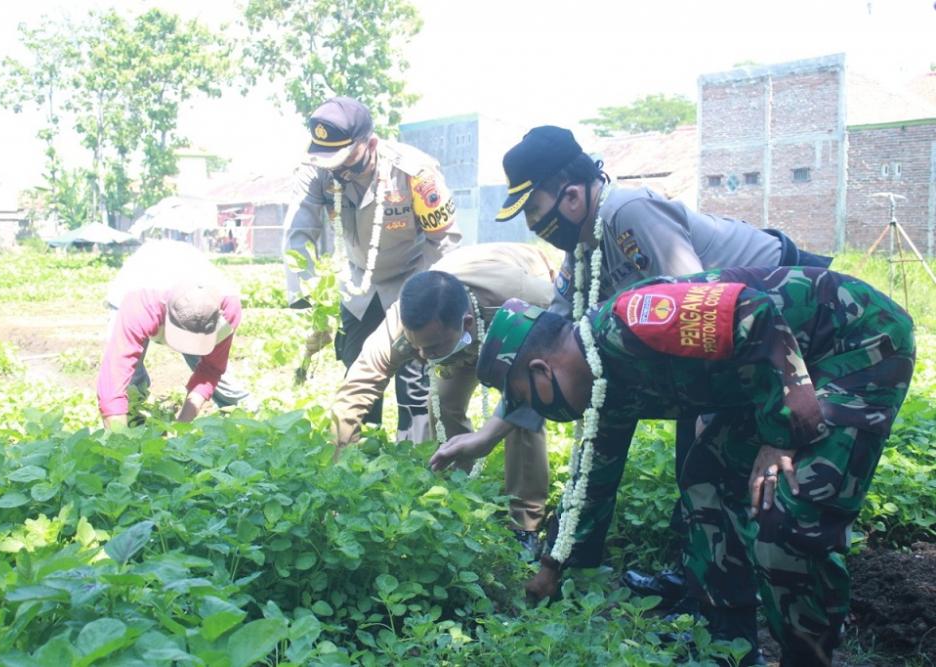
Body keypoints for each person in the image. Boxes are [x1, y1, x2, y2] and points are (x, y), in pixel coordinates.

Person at [470, 266, 915, 666]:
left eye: (528, 398)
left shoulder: (631, 319)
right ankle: (730, 645)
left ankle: (807, 657)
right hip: (771, 378)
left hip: (853, 345)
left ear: (541, 369)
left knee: (789, 506)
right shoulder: (605, 382)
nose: (541, 412)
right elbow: (593, 477)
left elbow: (755, 313)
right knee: (707, 475)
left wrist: (778, 436)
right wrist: (553, 565)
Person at [495, 124, 833, 605]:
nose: (533, 225)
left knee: (705, 456)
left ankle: (717, 588)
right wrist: (492, 431)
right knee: (627, 419)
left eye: (533, 209)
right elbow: (544, 341)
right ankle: (682, 576)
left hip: (785, 315)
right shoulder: (582, 251)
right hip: (722, 340)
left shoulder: (628, 214)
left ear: (570, 197)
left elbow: (706, 312)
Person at [330, 242, 556, 550]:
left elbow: (538, 382)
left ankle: (525, 523)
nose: (422, 358)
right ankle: (457, 491)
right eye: (415, 348)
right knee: (443, 404)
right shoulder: (407, 320)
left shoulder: (526, 297)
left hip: (516, 306)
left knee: (521, 418)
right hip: (460, 331)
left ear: (466, 324)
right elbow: (356, 388)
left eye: (431, 348)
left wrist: (494, 429)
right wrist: (340, 475)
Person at [283, 96, 461, 440]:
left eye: (345, 158)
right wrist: (303, 289)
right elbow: (299, 230)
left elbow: (444, 238)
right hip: (358, 288)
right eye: (329, 160)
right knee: (358, 368)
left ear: (371, 144)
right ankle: (362, 448)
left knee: (416, 372)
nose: (337, 169)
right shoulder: (319, 170)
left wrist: (425, 295)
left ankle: (417, 450)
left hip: (413, 278)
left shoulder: (414, 172)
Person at [97, 240, 248, 428]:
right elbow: (114, 377)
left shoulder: (229, 310)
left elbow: (211, 370)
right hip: (139, 285)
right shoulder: (139, 307)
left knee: (226, 385)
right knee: (130, 381)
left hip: (196, 299)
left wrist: (181, 427)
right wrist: (119, 446)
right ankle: (134, 421)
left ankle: (246, 415)